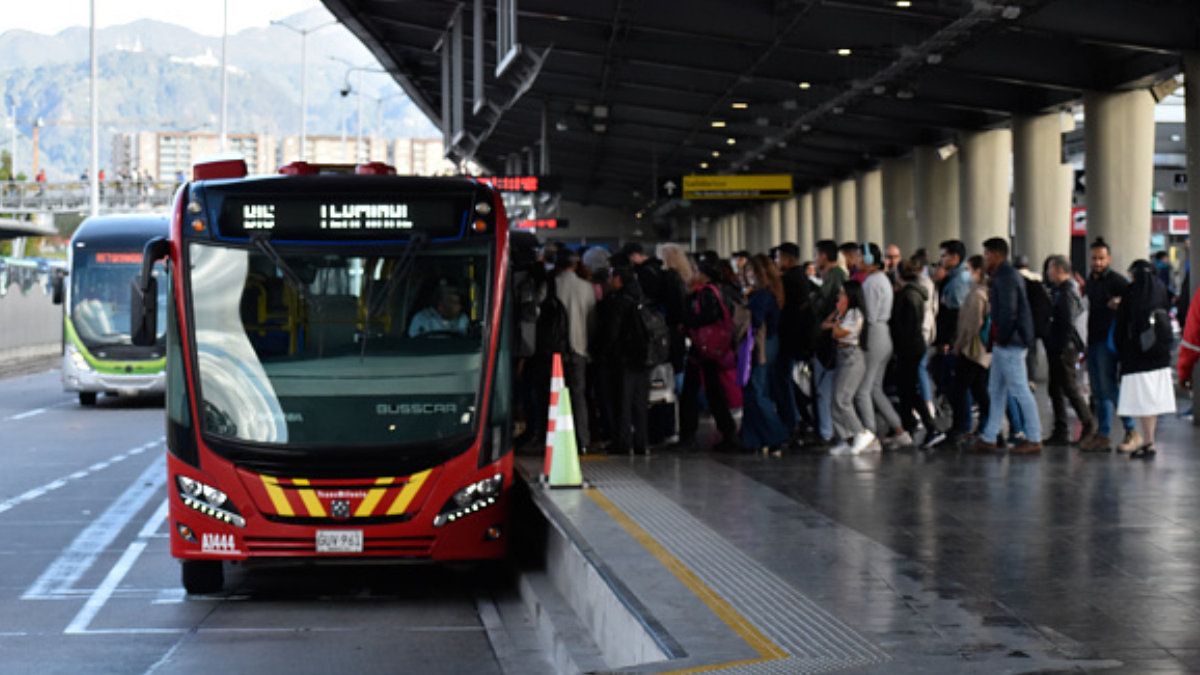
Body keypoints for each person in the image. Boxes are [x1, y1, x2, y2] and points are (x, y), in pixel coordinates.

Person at [966, 238, 1043, 453]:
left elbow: (1008, 312)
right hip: (1007, 341)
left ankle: (1034, 437)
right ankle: (990, 436)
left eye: (987, 255)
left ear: (997, 255)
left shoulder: (1006, 278)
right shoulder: (1004, 276)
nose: (985, 259)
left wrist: (1002, 336)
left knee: (1019, 389)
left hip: (1010, 342)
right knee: (996, 389)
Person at [1113, 260, 1175, 458]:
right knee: (1152, 403)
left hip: (1137, 357)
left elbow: (1122, 325)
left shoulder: (1133, 293)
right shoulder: (1160, 289)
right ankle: (1149, 441)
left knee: (1144, 403)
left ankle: (1148, 443)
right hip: (1159, 356)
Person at [1082, 237, 1138, 452]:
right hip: (1094, 340)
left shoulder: (1116, 280)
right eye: (1094, 258)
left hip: (1108, 341)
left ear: (1109, 259)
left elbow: (1134, 299)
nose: (1097, 262)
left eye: (1101, 258)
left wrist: (1120, 302)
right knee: (1098, 390)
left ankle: (1131, 429)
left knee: (1109, 388)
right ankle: (1103, 434)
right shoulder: (1091, 281)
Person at [680, 262, 743, 452]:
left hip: (703, 348)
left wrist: (688, 321)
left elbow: (708, 316)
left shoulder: (707, 292)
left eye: (697, 270)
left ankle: (689, 435)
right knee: (713, 391)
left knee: (693, 392)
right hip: (712, 349)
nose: (695, 274)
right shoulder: (720, 290)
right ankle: (728, 432)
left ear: (705, 275)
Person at [858, 242, 909, 448]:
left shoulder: (871, 282)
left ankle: (869, 435)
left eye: (861, 256)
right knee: (875, 389)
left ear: (870, 260)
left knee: (863, 389)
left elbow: (867, 314)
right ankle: (899, 430)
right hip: (884, 334)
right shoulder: (883, 279)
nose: (859, 260)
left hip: (873, 334)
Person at [1043, 255, 1097, 447]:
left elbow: (1066, 323)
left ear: (1059, 270)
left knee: (1069, 386)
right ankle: (1060, 429)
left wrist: (1060, 346)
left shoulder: (1066, 292)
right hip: (1061, 346)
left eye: (1050, 268)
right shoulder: (1062, 290)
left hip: (1065, 348)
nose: (1047, 272)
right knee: (1055, 387)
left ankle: (1089, 425)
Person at [598, 265, 651, 455]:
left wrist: (604, 352)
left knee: (623, 400)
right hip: (643, 356)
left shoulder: (619, 301)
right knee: (639, 401)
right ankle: (641, 442)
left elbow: (612, 332)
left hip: (624, 357)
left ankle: (622, 442)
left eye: (612, 277)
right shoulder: (641, 297)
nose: (610, 281)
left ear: (619, 279)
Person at [740, 254, 791, 452]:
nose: (748, 275)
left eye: (751, 271)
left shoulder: (762, 295)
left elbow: (756, 320)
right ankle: (757, 438)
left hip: (761, 344)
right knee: (758, 389)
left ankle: (776, 433)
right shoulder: (773, 292)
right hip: (771, 343)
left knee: (756, 390)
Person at [891, 259, 944, 447]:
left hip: (909, 348)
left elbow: (905, 325)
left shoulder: (907, 296)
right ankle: (909, 425)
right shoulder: (916, 293)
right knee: (906, 390)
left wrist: (899, 345)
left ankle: (931, 427)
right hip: (914, 346)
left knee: (909, 390)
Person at [824, 280, 878, 454]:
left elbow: (837, 333)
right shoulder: (845, 313)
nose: (839, 297)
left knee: (843, 399)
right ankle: (846, 438)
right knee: (835, 401)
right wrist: (837, 316)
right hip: (842, 356)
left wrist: (838, 318)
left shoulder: (855, 314)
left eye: (843, 294)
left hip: (852, 358)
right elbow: (825, 325)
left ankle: (861, 432)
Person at [554, 248, 598, 452]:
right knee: (578, 396)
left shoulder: (552, 285)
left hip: (555, 350)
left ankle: (556, 440)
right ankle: (583, 440)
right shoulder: (586, 287)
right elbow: (592, 320)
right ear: (575, 264)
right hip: (580, 348)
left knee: (555, 396)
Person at [950, 255, 991, 443]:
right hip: (981, 351)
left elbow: (971, 324)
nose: (966, 274)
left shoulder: (977, 295)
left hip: (973, 350)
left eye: (968, 270)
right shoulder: (983, 291)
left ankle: (960, 427)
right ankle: (987, 425)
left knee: (960, 388)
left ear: (977, 271)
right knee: (979, 389)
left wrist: (959, 344)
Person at [773, 242, 811, 436]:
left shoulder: (788, 280)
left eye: (778, 258)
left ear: (787, 259)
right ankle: (797, 416)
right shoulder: (801, 276)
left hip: (788, 337)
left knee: (783, 378)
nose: (776, 261)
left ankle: (792, 418)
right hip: (796, 336)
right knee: (786, 378)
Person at [810, 239, 846, 445]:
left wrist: (814, 299)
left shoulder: (834, 276)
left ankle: (827, 430)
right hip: (827, 339)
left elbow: (822, 304)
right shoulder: (835, 276)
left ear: (823, 255)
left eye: (816, 255)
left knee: (825, 388)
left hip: (826, 340)